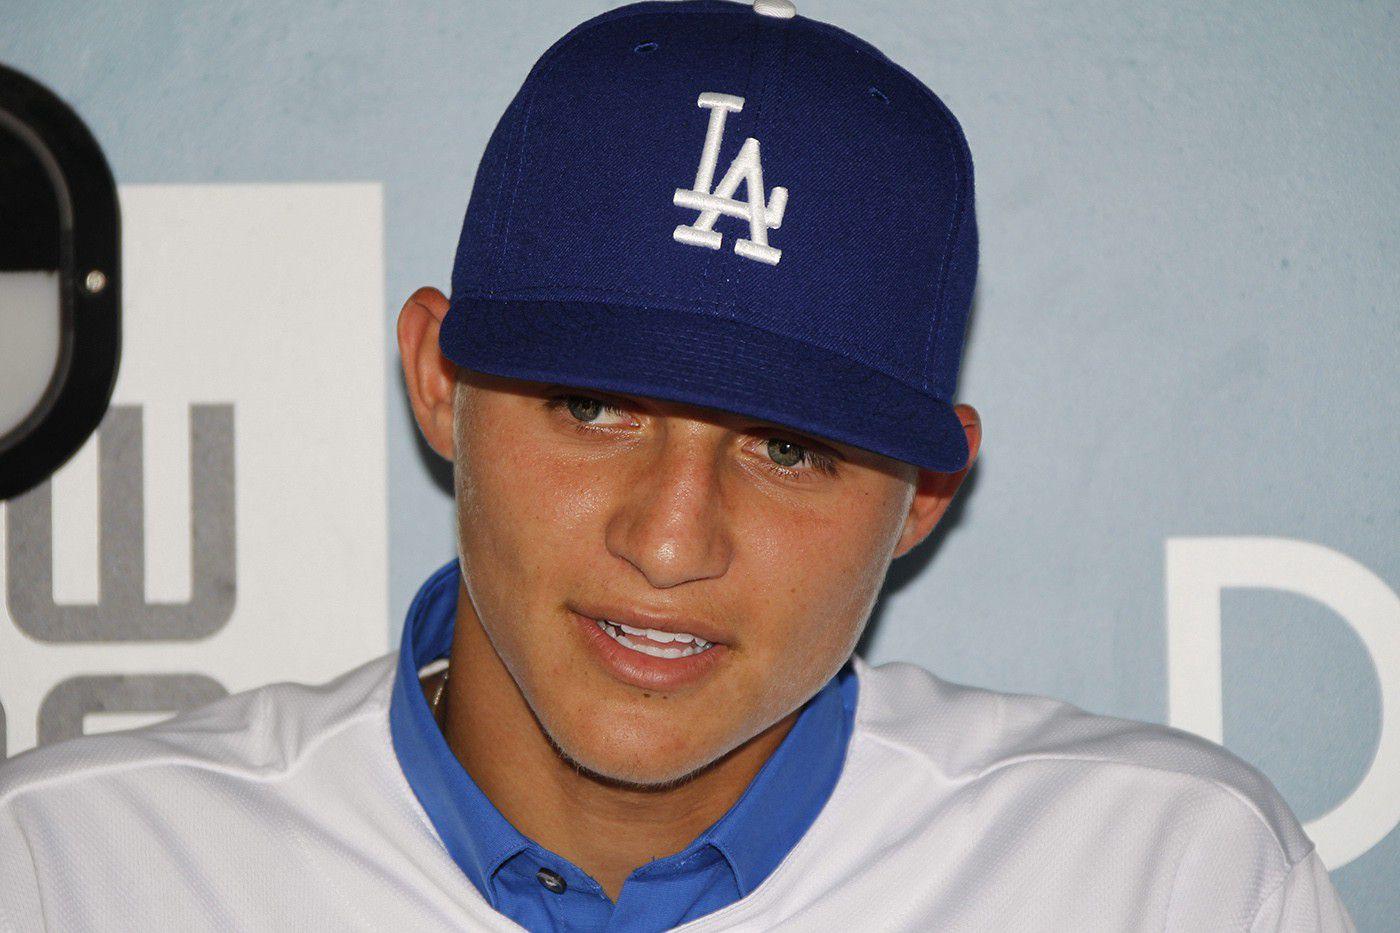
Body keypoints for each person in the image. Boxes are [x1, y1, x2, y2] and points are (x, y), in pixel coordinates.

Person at [0, 0, 1356, 930]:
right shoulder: (70, 873)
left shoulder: (1169, 881)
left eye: (788, 447)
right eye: (592, 404)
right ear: (438, 379)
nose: (667, 539)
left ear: (925, 497)